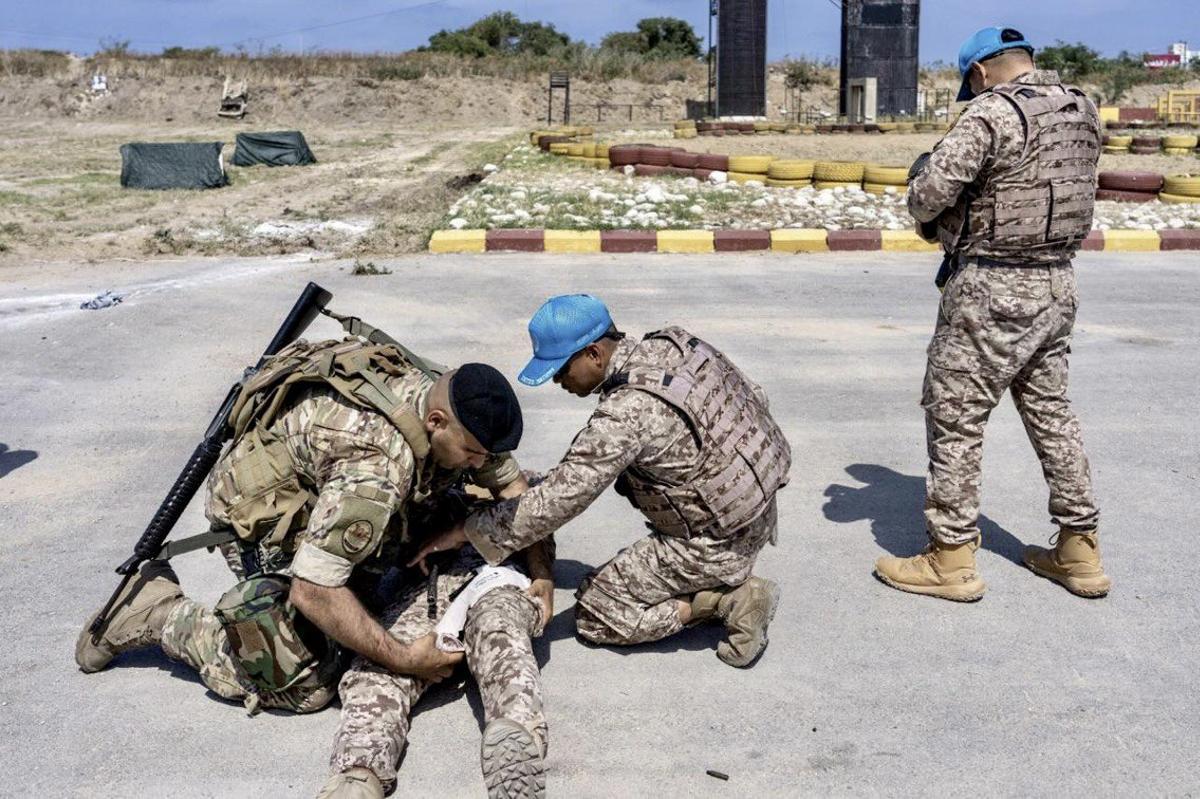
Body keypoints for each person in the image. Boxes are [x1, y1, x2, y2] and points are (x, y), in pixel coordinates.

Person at [75, 336, 553, 797]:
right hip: (269, 527)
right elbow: (314, 591)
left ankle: (374, 566)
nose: (480, 463)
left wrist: (540, 575)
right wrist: (407, 659)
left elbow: (515, 495)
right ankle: (157, 614)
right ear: (435, 421)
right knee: (305, 678)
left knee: (458, 520)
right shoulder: (376, 466)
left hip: (339, 496)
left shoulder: (452, 409)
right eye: (472, 453)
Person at [411, 294, 790, 668]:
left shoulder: (625, 415)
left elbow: (559, 500)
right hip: (756, 509)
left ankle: (728, 600)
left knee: (597, 613)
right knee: (539, 484)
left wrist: (464, 531)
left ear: (594, 354)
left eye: (561, 370)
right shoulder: (672, 344)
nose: (557, 381)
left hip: (713, 541)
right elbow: (755, 398)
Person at [875, 27, 1111, 601]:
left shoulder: (989, 114)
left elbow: (928, 196)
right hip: (1057, 283)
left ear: (979, 72)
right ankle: (1080, 547)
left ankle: (950, 559)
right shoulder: (1085, 108)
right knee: (1051, 412)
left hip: (990, 288)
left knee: (955, 418)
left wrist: (929, 193)